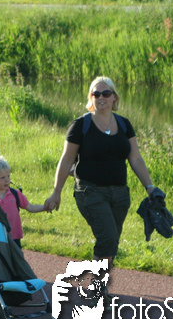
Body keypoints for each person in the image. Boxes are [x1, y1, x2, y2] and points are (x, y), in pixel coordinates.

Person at [44, 76, 157, 275]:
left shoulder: (124, 124)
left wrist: (150, 188)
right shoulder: (81, 125)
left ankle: (100, 283)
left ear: (114, 97)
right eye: (96, 94)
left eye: (106, 93)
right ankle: (97, 287)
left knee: (112, 243)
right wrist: (56, 192)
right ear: (91, 98)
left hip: (120, 194)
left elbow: (136, 159)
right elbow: (66, 160)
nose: (101, 97)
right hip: (90, 191)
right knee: (107, 238)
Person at [0, 155, 47, 248]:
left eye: (8, 176)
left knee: (17, 257)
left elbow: (30, 207)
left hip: (15, 237)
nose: (7, 180)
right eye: (2, 178)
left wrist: (45, 207)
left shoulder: (15, 194)